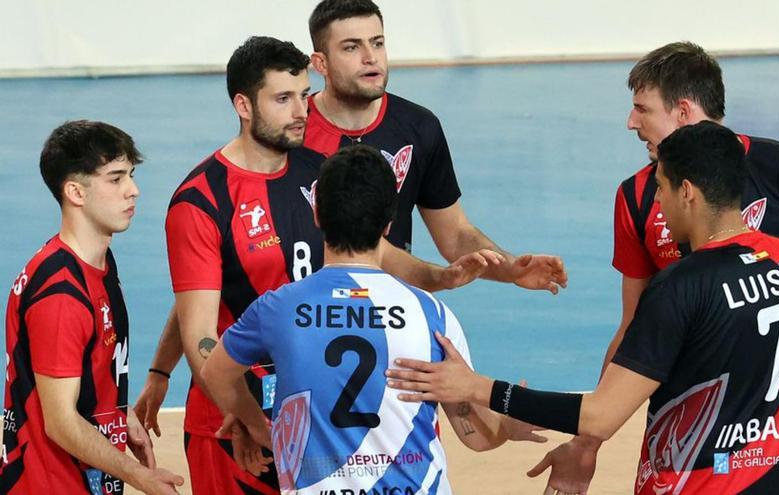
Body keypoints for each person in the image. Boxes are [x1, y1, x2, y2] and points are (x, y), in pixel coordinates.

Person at [134, 37, 504, 495]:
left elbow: (380, 255)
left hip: (318, 419)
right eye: (283, 99)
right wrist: (250, 419)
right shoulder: (202, 200)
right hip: (232, 427)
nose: (300, 111)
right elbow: (199, 325)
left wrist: (439, 277)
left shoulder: (320, 171)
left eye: (303, 95)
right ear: (243, 105)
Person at [388, 122, 779, 494]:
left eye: (661, 188)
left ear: (688, 192)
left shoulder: (681, 286)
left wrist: (478, 388)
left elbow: (601, 414)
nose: (657, 204)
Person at [606, 41, 779, 483]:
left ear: (682, 110)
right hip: (697, 447)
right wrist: (587, 444)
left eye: (642, 109)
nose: (630, 122)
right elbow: (631, 326)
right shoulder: (639, 195)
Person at [202, 144, 544, 494]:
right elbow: (478, 437)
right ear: (388, 224)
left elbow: (215, 373)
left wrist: (260, 428)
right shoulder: (431, 314)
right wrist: (506, 424)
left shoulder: (277, 308)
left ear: (317, 213)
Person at [306, 0, 568, 290]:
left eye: (377, 43)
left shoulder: (419, 127)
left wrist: (511, 269)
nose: (371, 57)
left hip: (389, 309)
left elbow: (454, 235)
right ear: (321, 63)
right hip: (305, 310)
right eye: (351, 47)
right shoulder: (291, 130)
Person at [0, 121, 184, 494]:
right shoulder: (61, 295)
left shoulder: (98, 263)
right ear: (75, 192)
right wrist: (140, 477)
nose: (133, 191)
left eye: (130, 175)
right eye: (115, 179)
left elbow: (89, 373)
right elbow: (62, 422)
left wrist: (119, 414)